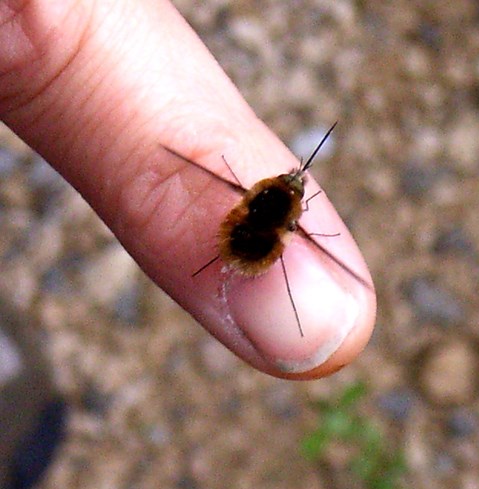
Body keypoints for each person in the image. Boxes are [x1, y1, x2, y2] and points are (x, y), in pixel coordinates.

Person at [0, 0, 376, 380]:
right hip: (253, 244)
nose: (295, 179)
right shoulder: (288, 210)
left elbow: (248, 195)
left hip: (248, 241)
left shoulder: (268, 197)